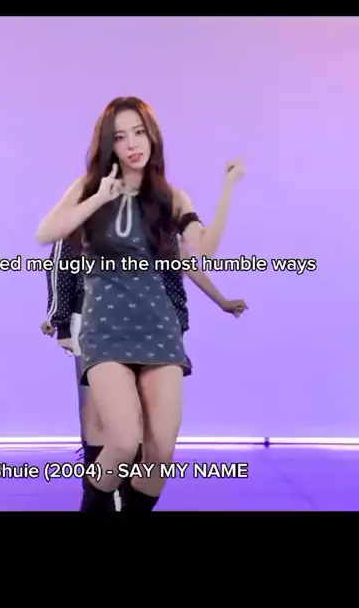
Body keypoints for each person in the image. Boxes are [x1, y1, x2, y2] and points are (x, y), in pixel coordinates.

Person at [36, 97, 248, 512]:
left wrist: (227, 189)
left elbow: (199, 251)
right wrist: (99, 198)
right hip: (104, 328)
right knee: (121, 439)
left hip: (159, 329)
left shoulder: (171, 198)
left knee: (160, 453)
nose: (132, 143)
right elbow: (49, 234)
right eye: (120, 137)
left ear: (152, 137)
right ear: (108, 146)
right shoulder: (87, 190)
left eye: (139, 132)